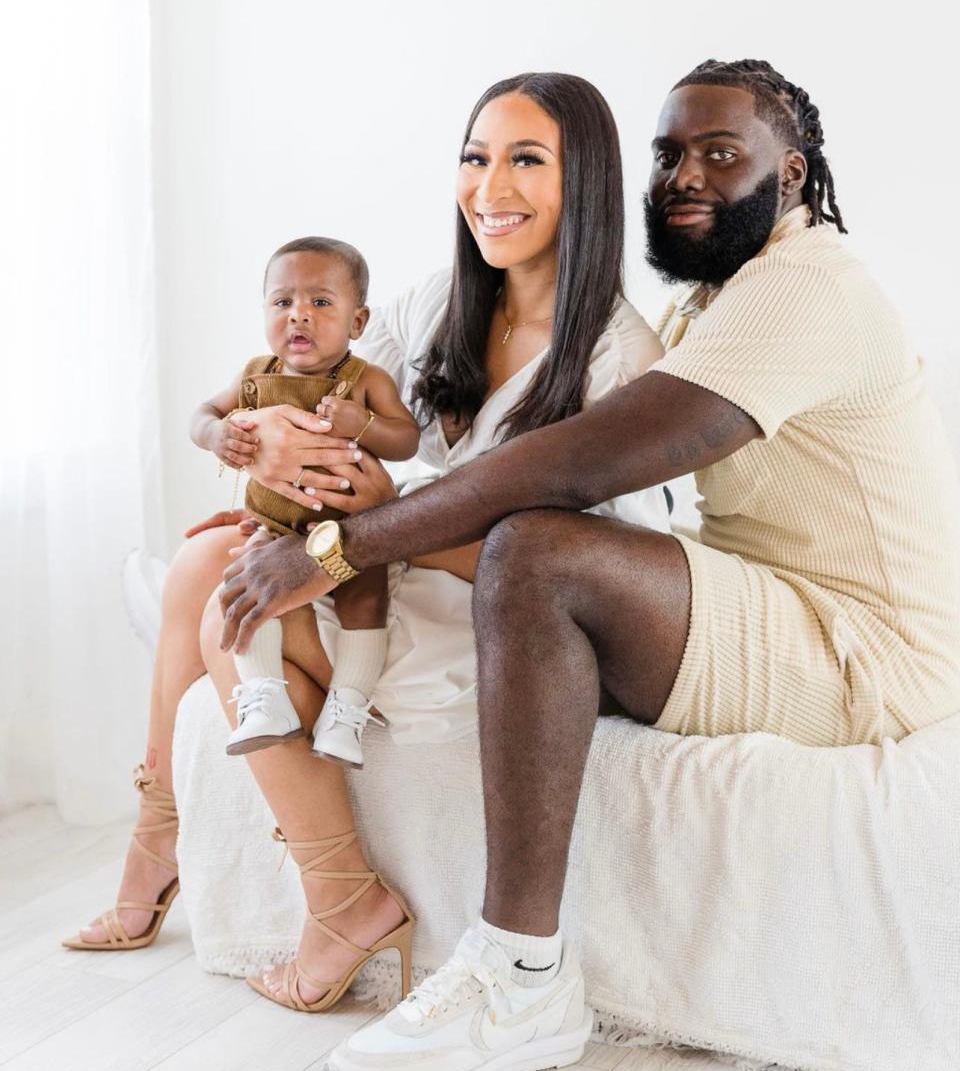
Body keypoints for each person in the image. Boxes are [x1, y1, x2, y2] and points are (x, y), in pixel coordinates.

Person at [218, 59, 960, 1071]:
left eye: (720, 154)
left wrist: (342, 545)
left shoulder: (806, 286)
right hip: (774, 600)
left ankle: (521, 973)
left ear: (792, 175)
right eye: (667, 154)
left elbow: (575, 464)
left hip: (861, 653)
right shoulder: (727, 293)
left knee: (536, 548)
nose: (683, 177)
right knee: (490, 567)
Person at [63, 71, 670, 1015]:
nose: (489, 187)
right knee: (209, 562)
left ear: (583, 177)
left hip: (492, 622)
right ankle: (162, 834)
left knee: (227, 600)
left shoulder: (619, 355)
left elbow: (579, 574)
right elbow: (315, 392)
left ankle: (333, 895)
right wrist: (281, 480)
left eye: (525, 160)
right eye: (474, 158)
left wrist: (382, 526)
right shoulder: (437, 302)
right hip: (383, 565)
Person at [190, 234, 419, 765]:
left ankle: (347, 709)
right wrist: (215, 435)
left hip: (349, 528)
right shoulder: (255, 377)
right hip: (273, 527)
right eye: (282, 302)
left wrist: (362, 423)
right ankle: (264, 698)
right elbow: (202, 412)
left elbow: (405, 440)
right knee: (249, 590)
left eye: (320, 302)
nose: (299, 316)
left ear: (357, 322)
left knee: (365, 600)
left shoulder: (365, 380)